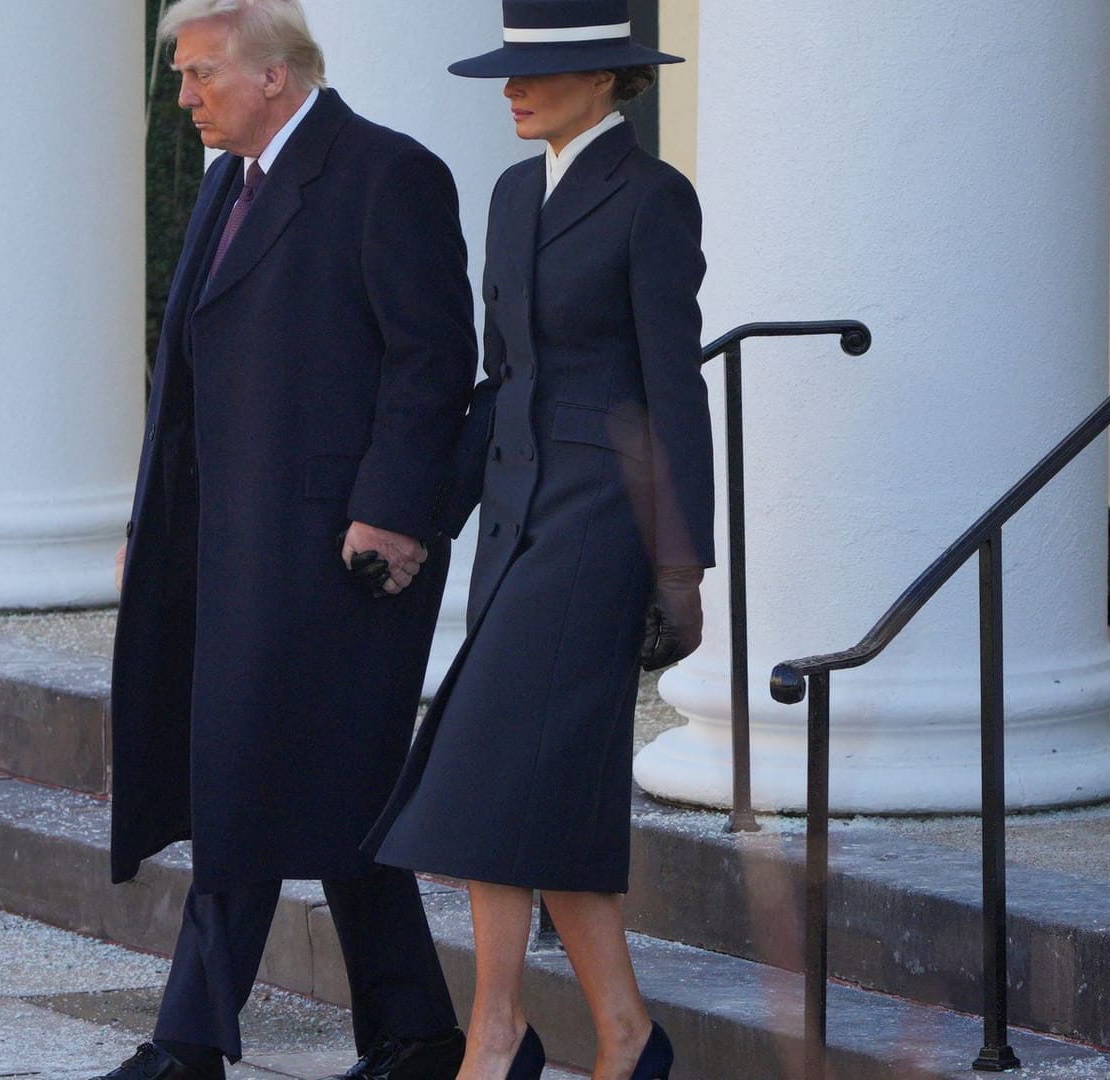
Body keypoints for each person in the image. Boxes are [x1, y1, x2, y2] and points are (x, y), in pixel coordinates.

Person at [99, 2, 479, 1079]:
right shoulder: (227, 183)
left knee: (248, 776)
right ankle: (416, 1035)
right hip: (224, 546)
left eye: (200, 75)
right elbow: (182, 383)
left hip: (338, 553)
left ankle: (186, 1046)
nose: (183, 99)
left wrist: (396, 513)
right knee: (333, 789)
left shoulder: (386, 173)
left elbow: (432, 361)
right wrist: (148, 526)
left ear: (274, 75)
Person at [365, 3, 712, 1080]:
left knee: (484, 772)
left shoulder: (654, 199)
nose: (512, 93)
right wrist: (428, 515)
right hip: (515, 522)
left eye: (539, 75)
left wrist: (681, 564)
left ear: (607, 81)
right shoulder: (516, 192)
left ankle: (497, 1036)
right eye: (509, 75)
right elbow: (504, 381)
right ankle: (622, 1035)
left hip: (602, 526)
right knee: (535, 791)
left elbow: (673, 393)